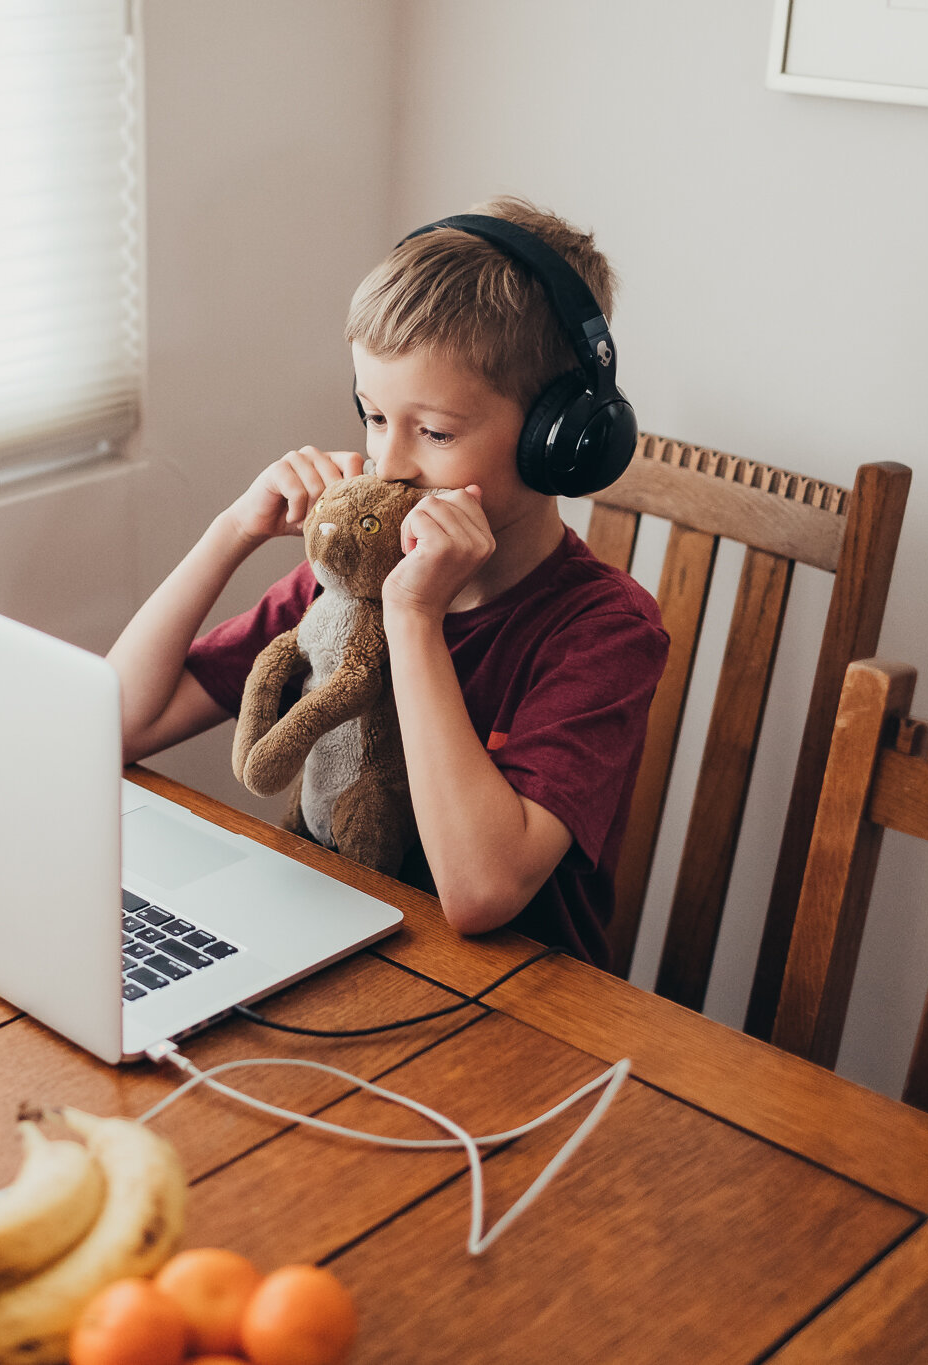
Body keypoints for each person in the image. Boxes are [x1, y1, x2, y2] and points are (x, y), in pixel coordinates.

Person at [108, 197, 669, 969]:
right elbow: (118, 724)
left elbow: (480, 892)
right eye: (373, 416)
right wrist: (232, 530)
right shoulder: (342, 584)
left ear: (556, 443)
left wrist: (412, 614)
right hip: (324, 946)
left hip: (508, 1005)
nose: (389, 463)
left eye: (434, 432)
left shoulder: (605, 629)